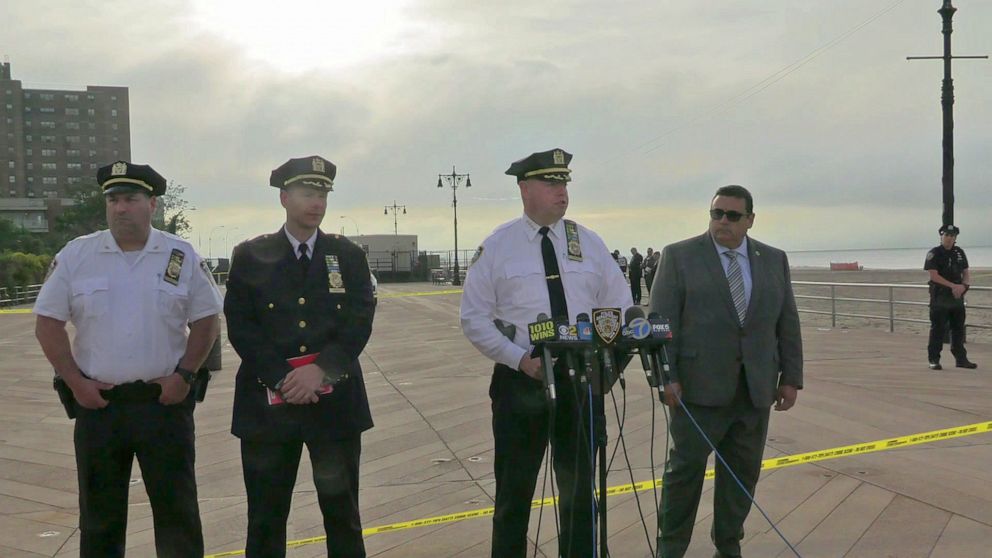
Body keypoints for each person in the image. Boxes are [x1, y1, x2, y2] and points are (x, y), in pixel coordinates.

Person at [34, 161, 222, 557]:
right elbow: (48, 325)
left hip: (164, 404)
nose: (121, 208)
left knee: (178, 515)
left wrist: (185, 374)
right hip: (100, 406)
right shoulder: (77, 255)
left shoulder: (179, 254)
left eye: (131, 199)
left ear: (152, 204)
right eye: (113, 200)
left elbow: (206, 321)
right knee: (99, 518)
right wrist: (75, 382)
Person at [460, 148, 632, 557]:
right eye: (551, 183)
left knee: (578, 494)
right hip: (522, 381)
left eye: (565, 183)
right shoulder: (498, 247)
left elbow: (620, 307)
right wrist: (518, 358)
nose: (562, 191)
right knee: (514, 497)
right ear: (524, 188)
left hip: (579, 380)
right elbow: (474, 318)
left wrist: (606, 362)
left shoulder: (588, 243)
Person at [224, 156, 376, 558]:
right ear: (284, 197)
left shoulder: (347, 255)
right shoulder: (251, 256)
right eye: (308, 194)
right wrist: (283, 378)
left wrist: (320, 372)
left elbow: (359, 321)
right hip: (269, 406)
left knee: (343, 515)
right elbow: (242, 326)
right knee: (266, 519)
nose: (317, 203)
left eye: (323, 194)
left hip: (335, 403)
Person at [650, 184, 803, 558]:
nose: (723, 221)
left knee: (742, 474)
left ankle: (728, 543)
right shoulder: (679, 256)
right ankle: (671, 548)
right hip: (696, 392)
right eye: (716, 213)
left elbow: (787, 321)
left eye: (733, 216)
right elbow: (660, 324)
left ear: (750, 220)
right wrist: (665, 377)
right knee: (683, 475)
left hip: (754, 391)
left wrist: (791, 378)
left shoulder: (773, 259)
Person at [925, 224, 977, 370]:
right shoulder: (934, 253)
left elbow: (965, 272)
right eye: (946, 235)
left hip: (957, 298)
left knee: (958, 329)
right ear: (941, 236)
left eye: (952, 236)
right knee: (938, 329)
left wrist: (964, 286)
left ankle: (961, 359)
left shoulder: (959, 252)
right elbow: (934, 276)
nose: (949, 238)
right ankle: (934, 359)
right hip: (940, 297)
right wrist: (952, 286)